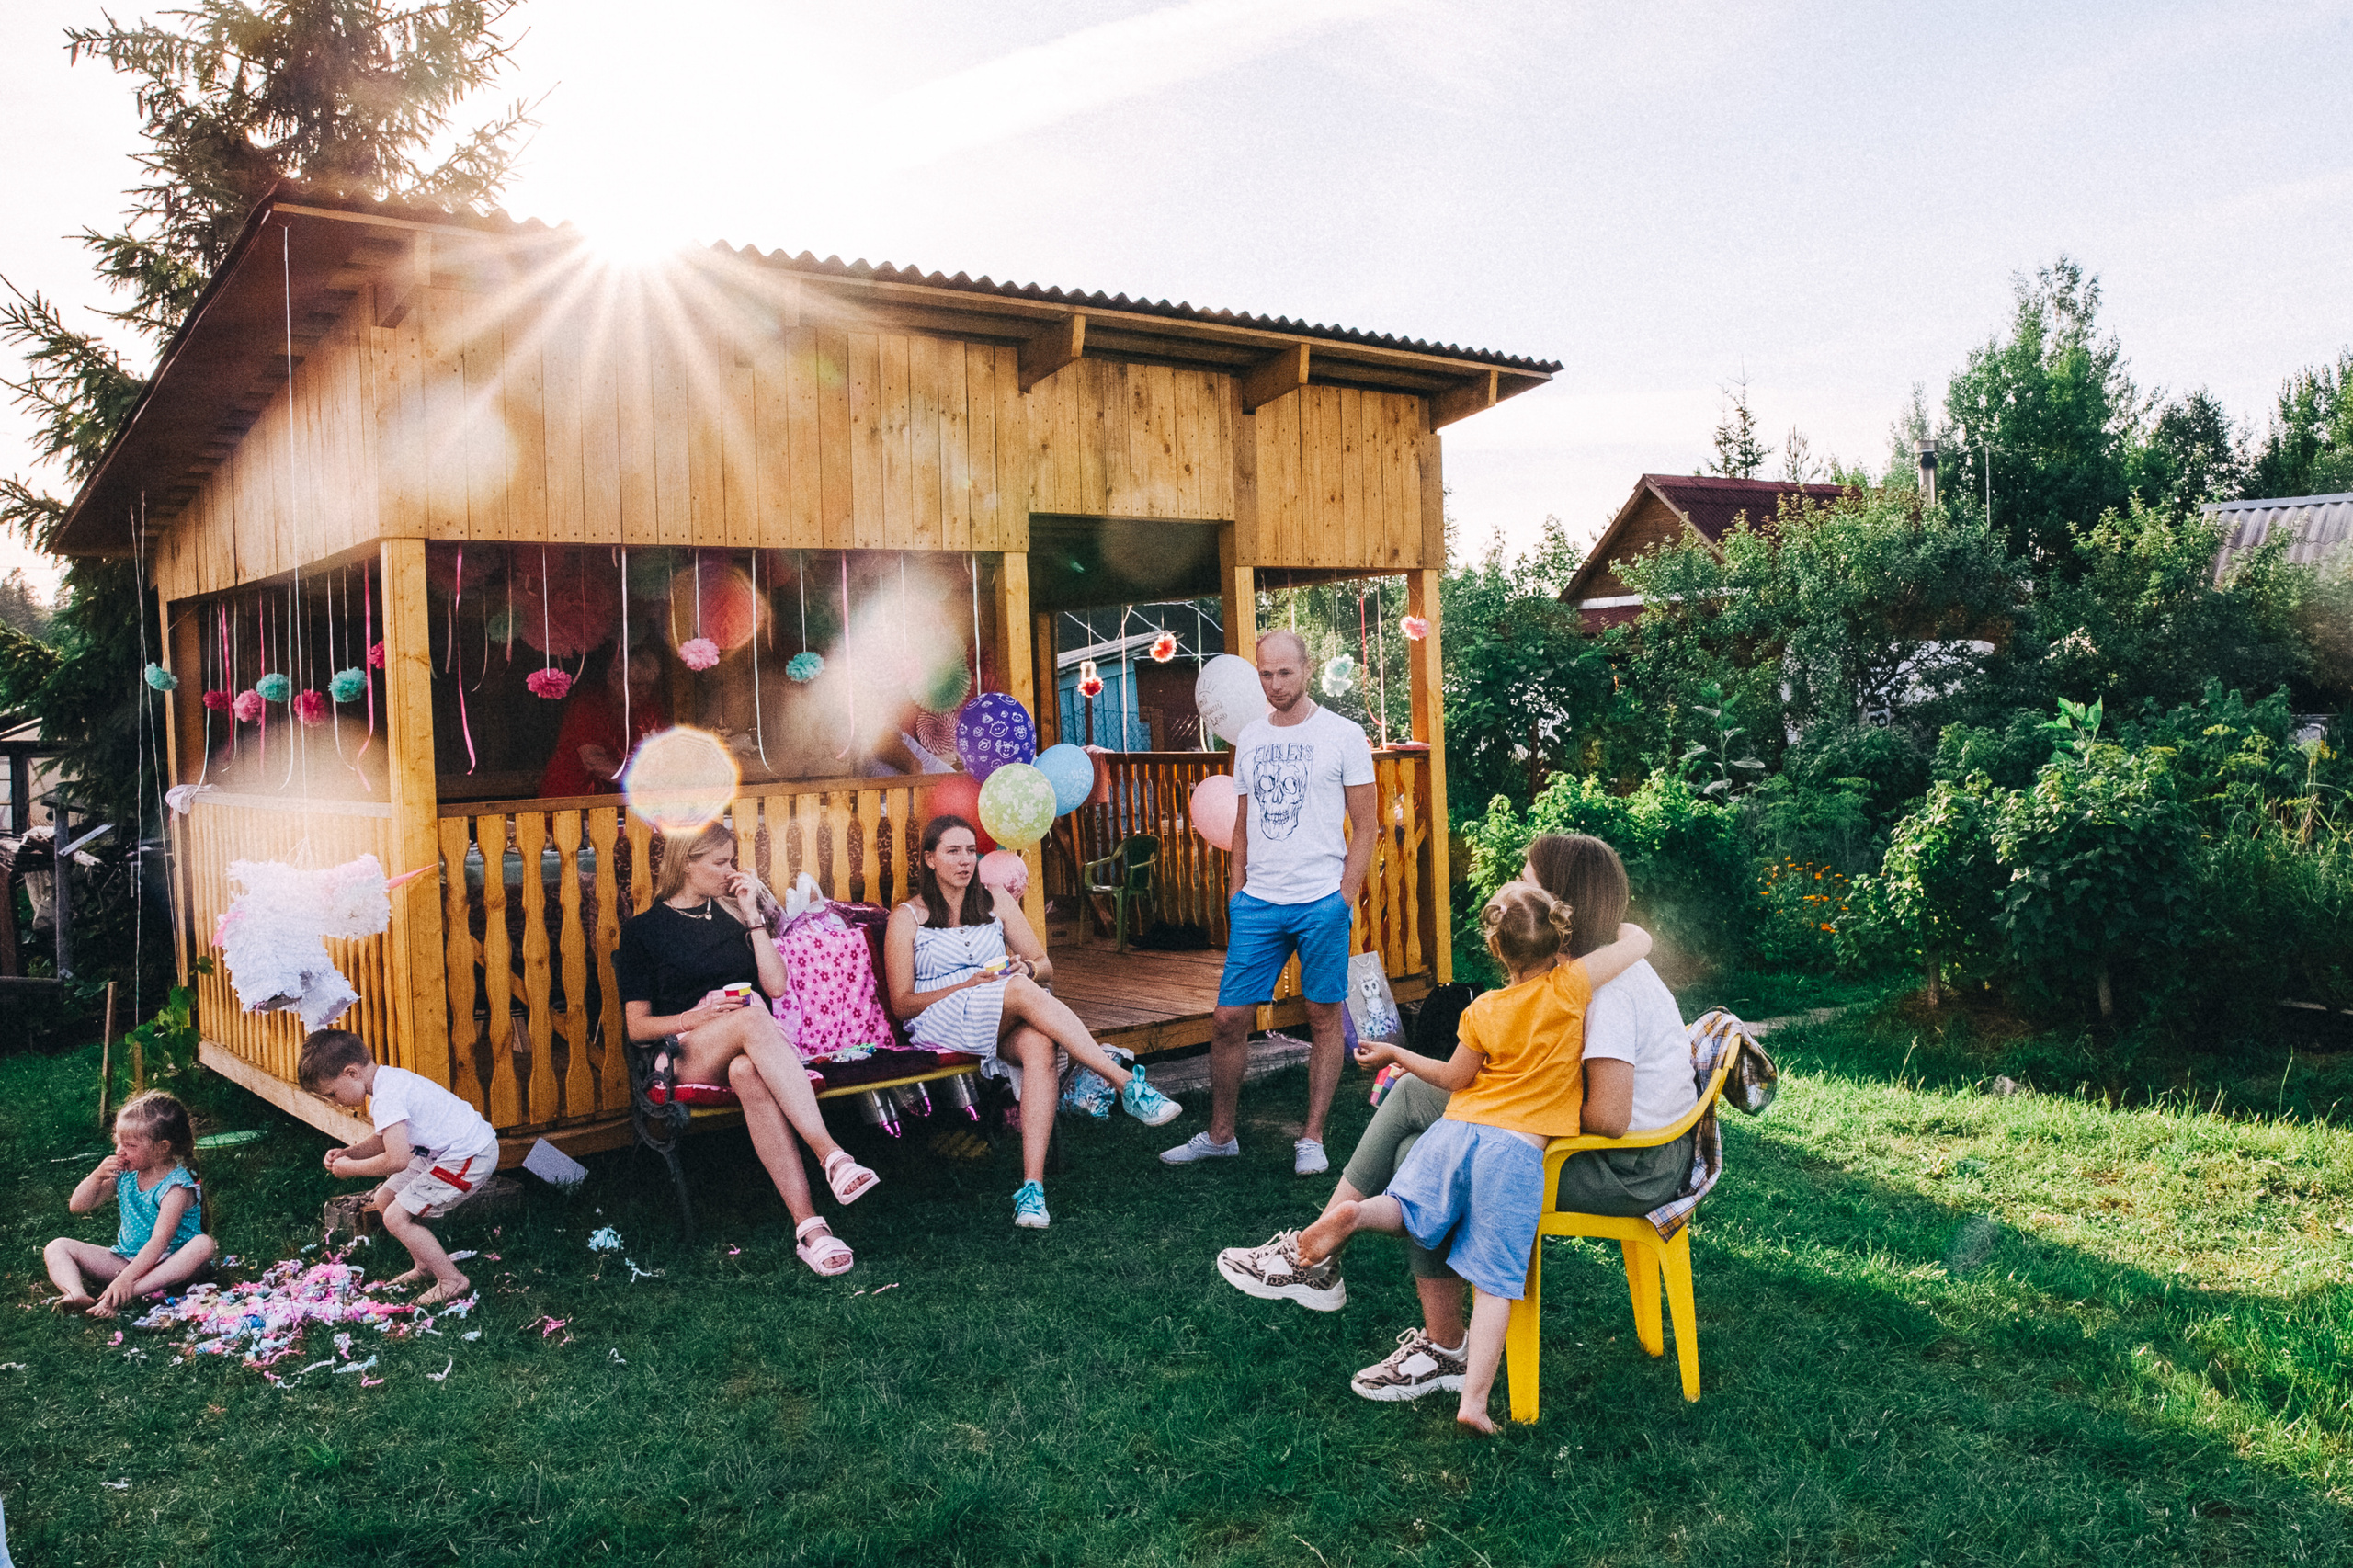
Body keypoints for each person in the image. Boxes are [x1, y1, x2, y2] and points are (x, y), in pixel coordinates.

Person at [1216, 834, 1696, 1406]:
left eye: (1525, 878)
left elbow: (1609, 1117)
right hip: (1608, 1150)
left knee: (1422, 1120)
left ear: (1559, 903)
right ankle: (1420, 1332)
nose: (1513, 886)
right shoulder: (1578, 970)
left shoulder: (1607, 990)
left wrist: (1509, 1104)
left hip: (1629, 1166)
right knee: (1420, 1138)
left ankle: (1325, 1264)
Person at [1284, 881, 1651, 1433]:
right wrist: (1619, 928)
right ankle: (1473, 1400)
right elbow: (1639, 943)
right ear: (1559, 940)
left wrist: (1397, 1054)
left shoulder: (1482, 1010)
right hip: (1514, 1150)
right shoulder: (1571, 985)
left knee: (1406, 1208)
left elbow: (1455, 1078)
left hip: (1456, 1132)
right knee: (1497, 1282)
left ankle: (1355, 1215)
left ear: (1497, 951)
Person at [887, 814, 1183, 1229]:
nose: (965, 860)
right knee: (1023, 993)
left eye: (971, 850)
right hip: (940, 1018)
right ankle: (1124, 1082)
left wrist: (1023, 970)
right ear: (930, 859)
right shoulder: (908, 916)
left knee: (1039, 1044)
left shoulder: (993, 899)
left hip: (998, 1007)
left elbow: (1044, 965)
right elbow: (902, 1004)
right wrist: (971, 983)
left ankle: (1032, 1190)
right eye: (952, 851)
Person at [616, 819, 880, 1274]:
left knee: (747, 1071)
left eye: (731, 861)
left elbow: (775, 986)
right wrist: (696, 1017)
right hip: (681, 1052)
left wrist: (752, 913)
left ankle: (810, 1228)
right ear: (686, 864)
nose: (729, 870)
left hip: (745, 1048)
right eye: (720, 862)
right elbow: (637, 1027)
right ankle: (830, 1155)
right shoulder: (645, 931)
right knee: (752, 1016)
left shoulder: (733, 914)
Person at [1162, 628, 1376, 1176]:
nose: (1275, 684)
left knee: (1323, 1016)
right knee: (1229, 1018)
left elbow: (1368, 827)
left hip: (1320, 901)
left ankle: (1311, 1137)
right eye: (1265, 674)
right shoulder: (1252, 738)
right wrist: (1236, 893)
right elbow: (1241, 824)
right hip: (1258, 901)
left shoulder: (1344, 735)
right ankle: (1220, 1134)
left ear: (1307, 669)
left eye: (1284, 672)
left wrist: (1341, 899)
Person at [302, 1029, 498, 1306]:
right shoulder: (387, 1083)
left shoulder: (387, 1097)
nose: (335, 1101)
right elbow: (386, 1139)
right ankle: (425, 1265)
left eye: (332, 1093)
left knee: (395, 1217)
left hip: (469, 1154)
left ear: (351, 1073)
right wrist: (349, 1153)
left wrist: (350, 1169)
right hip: (442, 1152)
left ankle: (452, 1280)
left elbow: (397, 1160)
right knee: (385, 1198)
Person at [44, 1090, 216, 1317]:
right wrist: (96, 1176)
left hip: (171, 1264)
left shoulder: (176, 1187)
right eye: (118, 1142)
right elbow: (78, 1206)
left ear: (162, 1147)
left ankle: (125, 1293)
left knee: (203, 1244)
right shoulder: (126, 1173)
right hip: (128, 1260)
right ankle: (75, 1294)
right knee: (57, 1246)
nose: (120, 1151)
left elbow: (159, 1241)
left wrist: (125, 1280)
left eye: (130, 1145)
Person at [538, 640, 670, 798]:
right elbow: (593, 760)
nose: (643, 692)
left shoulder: (649, 709)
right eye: (635, 684)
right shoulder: (589, 705)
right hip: (571, 802)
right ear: (614, 678)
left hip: (617, 803)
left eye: (648, 685)